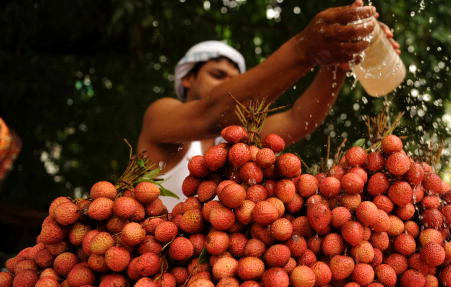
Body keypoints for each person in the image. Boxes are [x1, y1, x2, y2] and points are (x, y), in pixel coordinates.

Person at [137, 1, 400, 210]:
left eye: (234, 80)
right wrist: (304, 50)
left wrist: (337, 63)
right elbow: (211, 114)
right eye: (217, 76)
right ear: (187, 79)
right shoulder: (160, 116)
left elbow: (298, 119)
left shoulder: (237, 140)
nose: (225, 85)